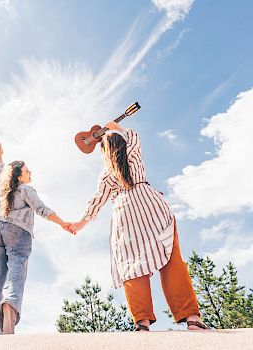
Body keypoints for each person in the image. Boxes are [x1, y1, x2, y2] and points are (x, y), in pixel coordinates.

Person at [69, 122, 209, 331]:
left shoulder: (106, 175)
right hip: (151, 204)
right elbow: (134, 136)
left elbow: (96, 202)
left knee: (132, 266)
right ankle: (192, 319)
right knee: (171, 258)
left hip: (125, 215)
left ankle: (142, 323)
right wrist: (115, 127)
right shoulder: (132, 152)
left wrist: (79, 224)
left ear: (104, 152)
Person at [0, 143, 73, 335]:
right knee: (16, 273)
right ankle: (8, 316)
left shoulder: (5, 188)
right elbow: (42, 209)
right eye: (27, 171)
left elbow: (1, 173)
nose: (31, 172)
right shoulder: (26, 190)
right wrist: (62, 223)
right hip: (18, 233)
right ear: (20, 176)